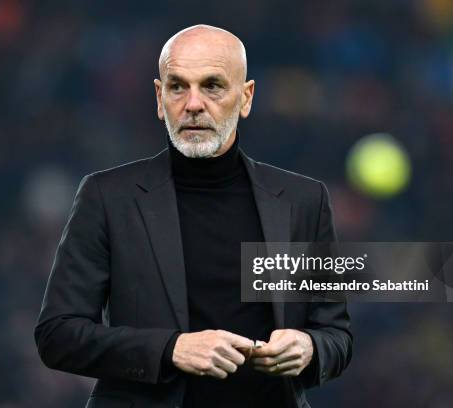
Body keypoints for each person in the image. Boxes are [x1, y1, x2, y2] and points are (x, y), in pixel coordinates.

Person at [34, 24, 352, 408]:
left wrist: (309, 347)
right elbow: (58, 335)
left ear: (246, 97)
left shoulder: (304, 200)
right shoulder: (107, 197)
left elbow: (336, 336)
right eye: (178, 86)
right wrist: (172, 349)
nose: (194, 104)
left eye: (213, 85)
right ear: (158, 97)